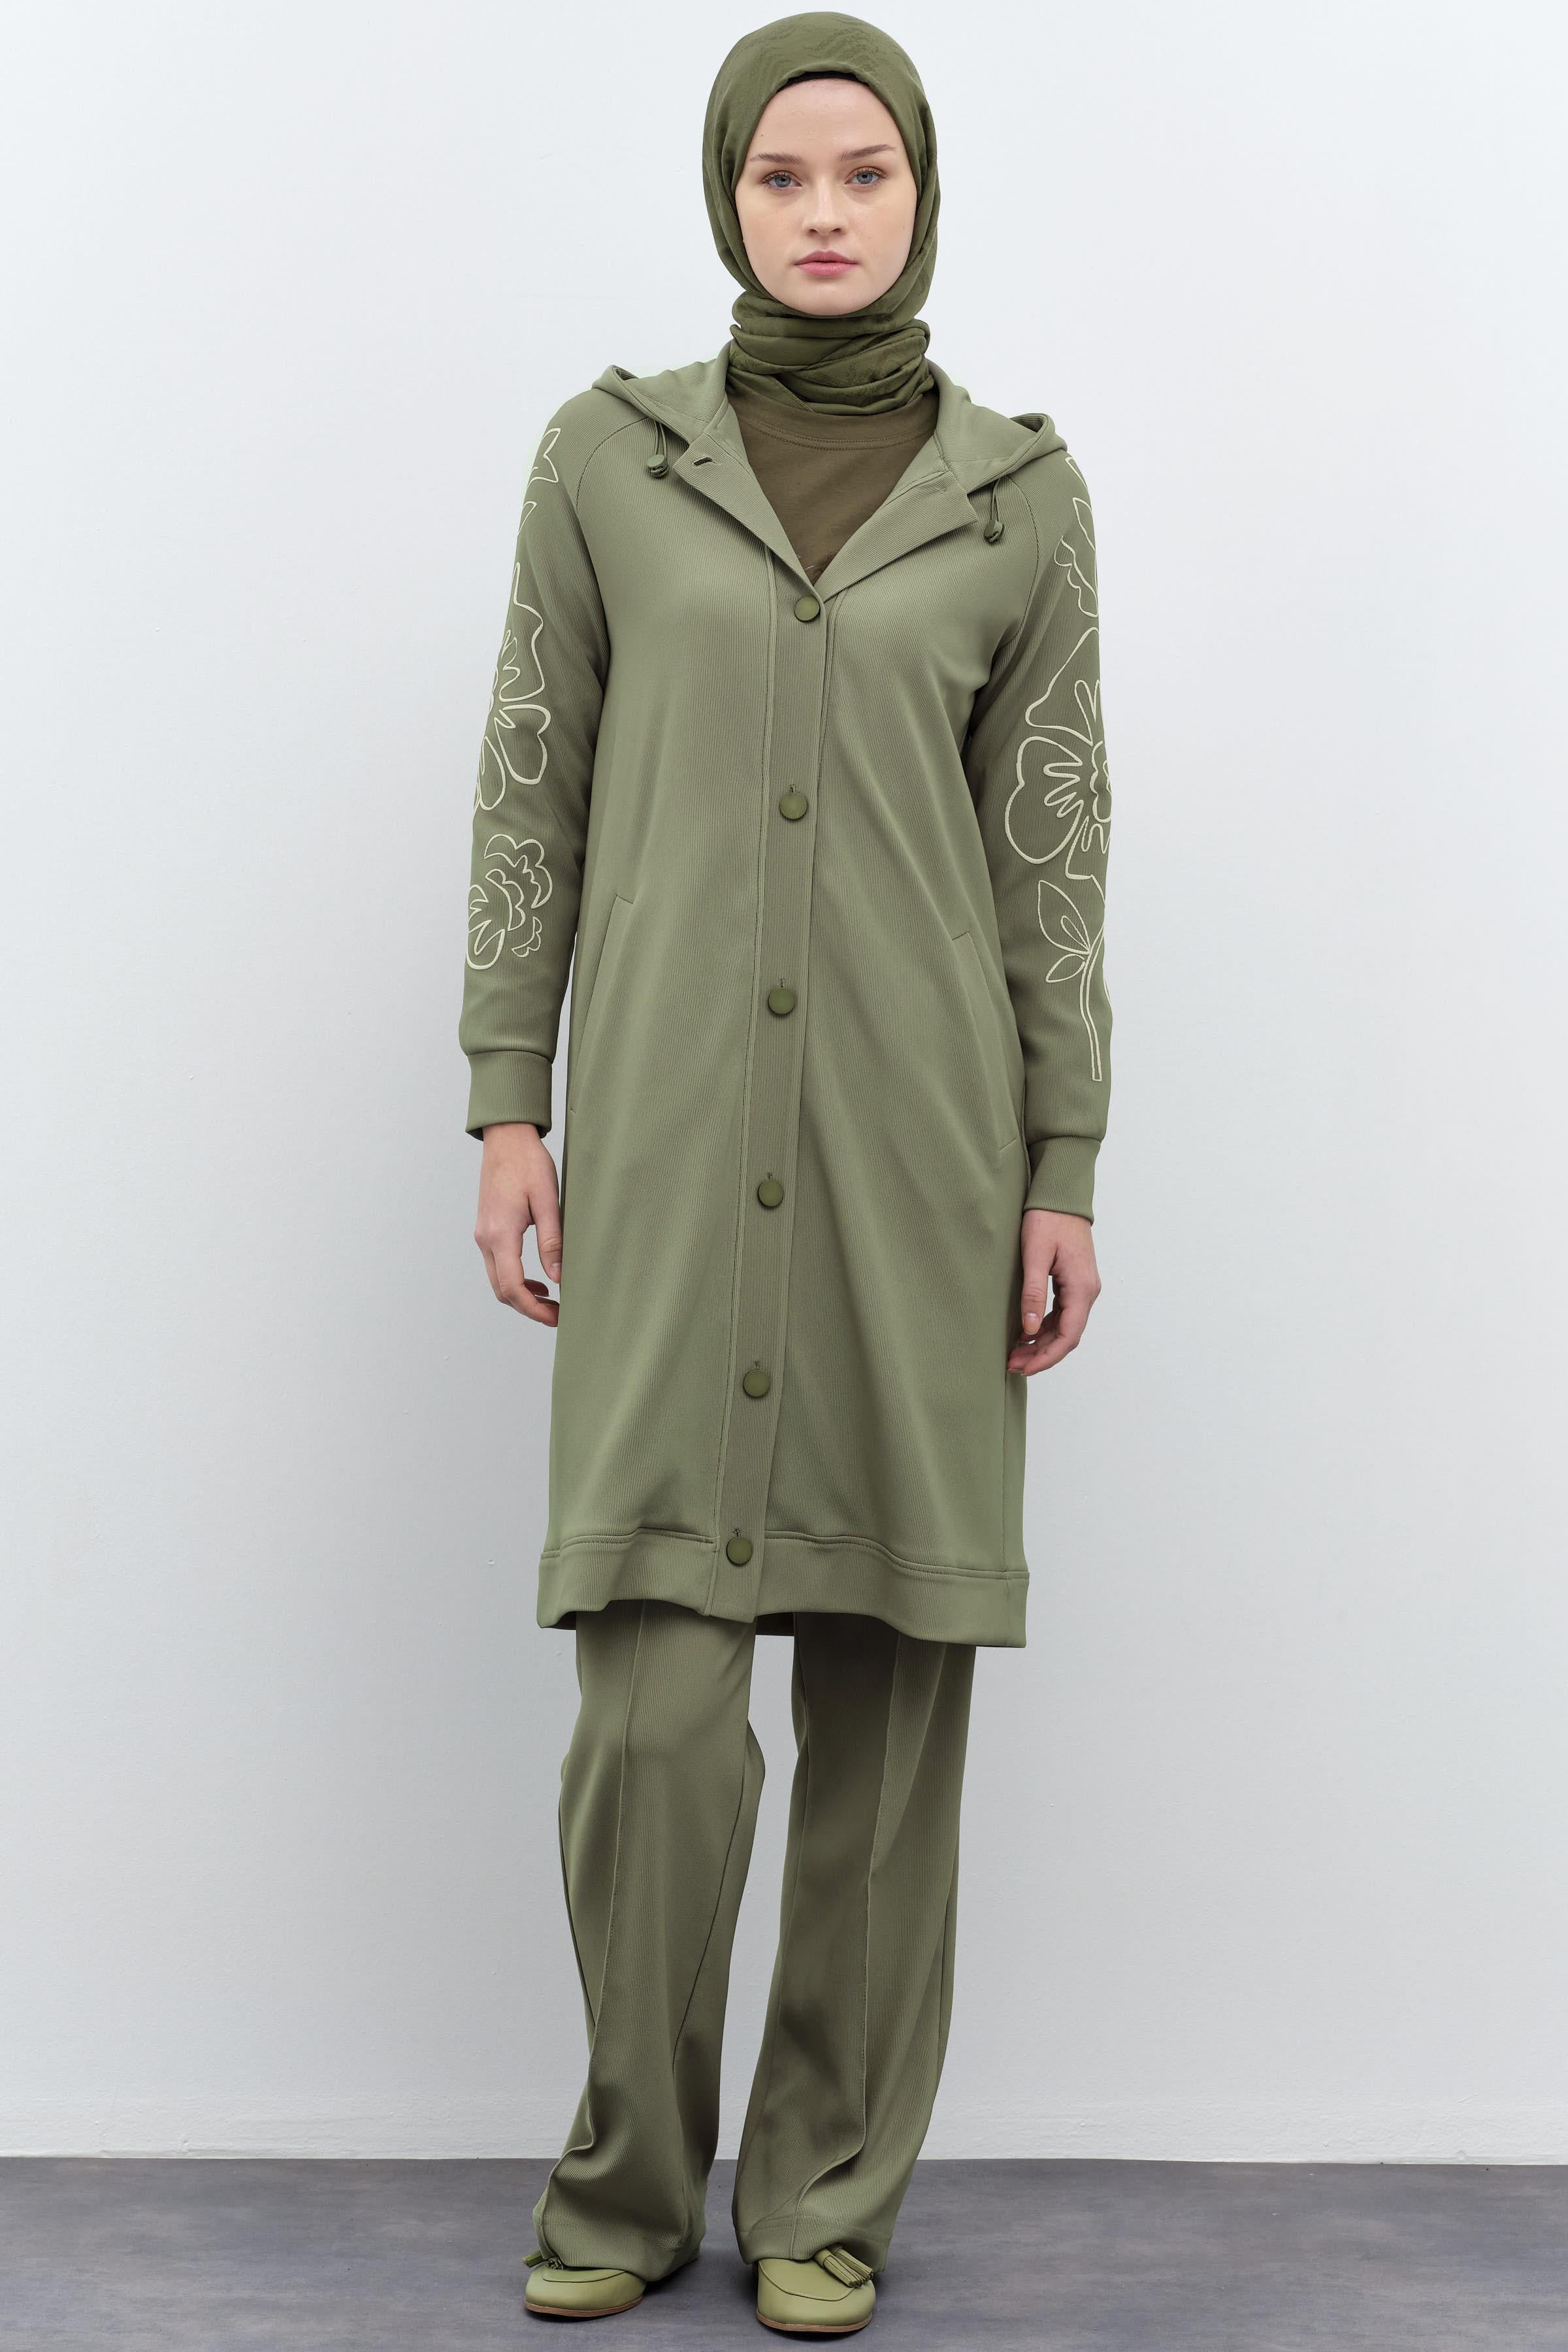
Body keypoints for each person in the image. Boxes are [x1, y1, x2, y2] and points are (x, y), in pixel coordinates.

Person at [459, 10, 1112, 2333]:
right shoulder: (609, 461)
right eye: (781, 178)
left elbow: (1054, 863)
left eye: (866, 175)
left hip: (923, 1167)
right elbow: (531, 778)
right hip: (661, 1151)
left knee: (888, 1712)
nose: (825, 214)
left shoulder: (1020, 500)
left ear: (923, 193)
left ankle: (825, 2197)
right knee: (653, 1714)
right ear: (726, 195)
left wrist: (1063, 1157)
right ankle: (631, 2183)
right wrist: (507, 1099)